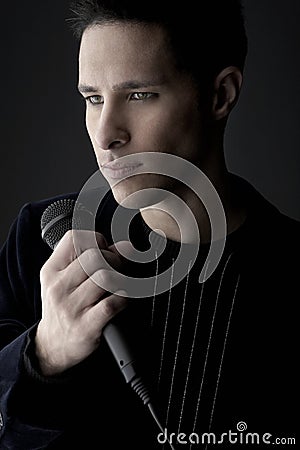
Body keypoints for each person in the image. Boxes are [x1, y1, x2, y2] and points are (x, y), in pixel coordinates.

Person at [0, 0, 298, 448]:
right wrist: (43, 355)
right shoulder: (43, 244)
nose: (105, 134)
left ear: (221, 95)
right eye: (93, 99)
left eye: (139, 96)